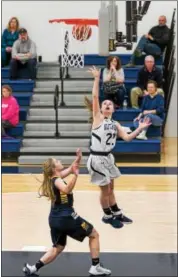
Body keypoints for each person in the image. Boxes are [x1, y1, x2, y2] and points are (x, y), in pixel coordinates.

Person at [23, 149, 111, 276]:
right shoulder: (57, 180)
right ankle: (95, 266)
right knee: (94, 234)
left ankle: (33, 268)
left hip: (54, 218)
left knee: (57, 247)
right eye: (57, 161)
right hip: (67, 217)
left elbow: (71, 168)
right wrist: (75, 176)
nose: (60, 161)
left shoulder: (53, 178)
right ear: (54, 168)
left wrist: (78, 158)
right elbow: (67, 189)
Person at [87, 67, 151, 228]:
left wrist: (139, 128)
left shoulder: (115, 124)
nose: (107, 104)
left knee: (111, 187)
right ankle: (107, 215)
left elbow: (128, 138)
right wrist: (96, 78)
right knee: (104, 190)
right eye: (105, 103)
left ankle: (116, 212)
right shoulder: (97, 119)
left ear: (114, 108)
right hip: (97, 158)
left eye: (110, 103)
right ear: (101, 109)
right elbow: (95, 96)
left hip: (108, 157)